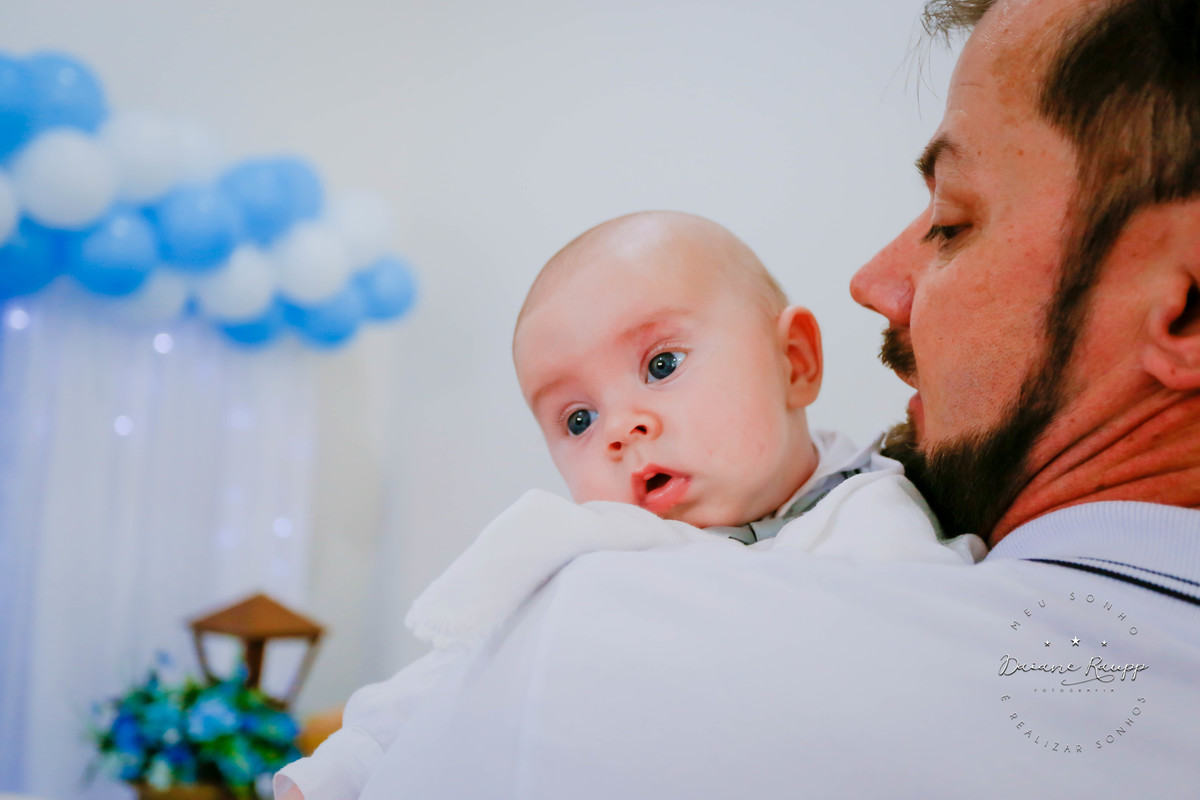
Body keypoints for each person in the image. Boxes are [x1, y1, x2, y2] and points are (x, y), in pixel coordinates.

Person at [347, 0, 1200, 797]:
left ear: (1186, 309)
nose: (871, 282)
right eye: (576, 419)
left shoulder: (594, 635)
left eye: (951, 222)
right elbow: (424, 686)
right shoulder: (584, 563)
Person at [275, 211, 984, 800]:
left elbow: (925, 665)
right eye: (578, 419)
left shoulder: (869, 513)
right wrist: (346, 766)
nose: (619, 428)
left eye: (661, 365)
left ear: (793, 362)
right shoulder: (597, 545)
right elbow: (464, 665)